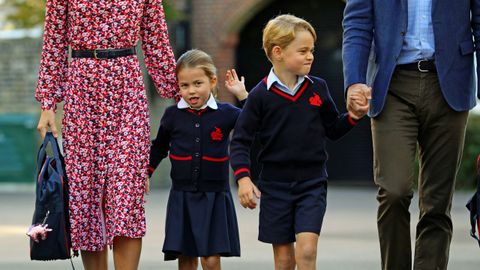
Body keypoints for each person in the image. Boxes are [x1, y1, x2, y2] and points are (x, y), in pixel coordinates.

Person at [35, 0, 178, 269]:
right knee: (86, 199)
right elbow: (53, 40)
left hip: (127, 90)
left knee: (126, 196)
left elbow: (156, 37)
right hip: (82, 92)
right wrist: (48, 104)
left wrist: (180, 94)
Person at [342, 1, 480, 269]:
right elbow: (357, 23)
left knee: (437, 203)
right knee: (394, 191)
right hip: (391, 84)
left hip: (450, 83)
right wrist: (354, 81)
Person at [229, 14, 369, 270]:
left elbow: (333, 129)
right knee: (284, 261)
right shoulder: (260, 96)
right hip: (274, 187)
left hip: (311, 184)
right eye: (303, 51)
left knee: (306, 252)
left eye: (312, 50)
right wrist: (243, 179)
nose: (311, 56)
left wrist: (353, 117)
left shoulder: (319, 88)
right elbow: (240, 141)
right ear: (278, 52)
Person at [148, 49, 247, 270]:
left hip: (214, 196)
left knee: (211, 260)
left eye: (198, 83)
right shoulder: (172, 116)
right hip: (182, 196)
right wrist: (147, 172)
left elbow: (255, 126)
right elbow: (159, 147)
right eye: (184, 85)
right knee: (186, 259)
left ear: (212, 81)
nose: (191, 90)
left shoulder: (227, 113)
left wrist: (243, 97)